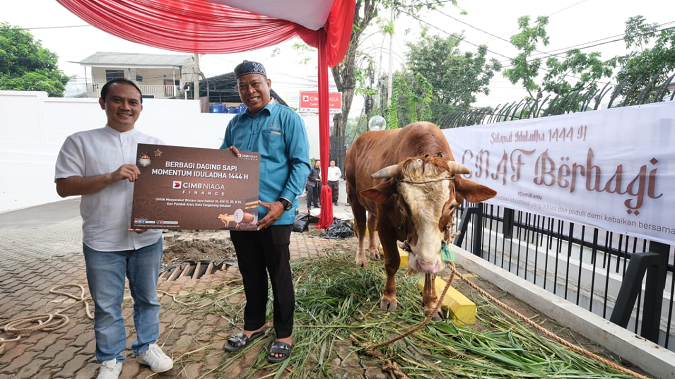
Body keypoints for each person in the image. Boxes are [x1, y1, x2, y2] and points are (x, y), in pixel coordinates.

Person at [54, 78, 173, 379]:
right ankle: (110, 358)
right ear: (103, 103)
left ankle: (146, 347)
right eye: (118, 100)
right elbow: (64, 186)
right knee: (107, 306)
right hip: (102, 241)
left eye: (133, 102)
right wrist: (109, 176)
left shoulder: (155, 146)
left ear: (141, 108)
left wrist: (156, 219)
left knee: (148, 299)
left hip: (147, 240)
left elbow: (168, 192)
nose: (126, 107)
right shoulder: (80, 142)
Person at [220, 60, 310, 364]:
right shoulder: (235, 123)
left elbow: (301, 164)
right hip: (240, 213)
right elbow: (221, 162)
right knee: (250, 272)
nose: (250, 91)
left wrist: (283, 202)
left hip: (276, 214)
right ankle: (254, 325)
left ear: (267, 83)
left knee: (279, 274)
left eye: (255, 83)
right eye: (243, 86)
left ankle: (284, 333)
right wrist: (226, 157)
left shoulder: (288, 119)